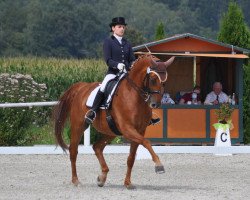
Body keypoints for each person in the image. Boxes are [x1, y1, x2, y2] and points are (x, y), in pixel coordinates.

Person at [85, 17, 160, 125]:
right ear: (113, 28)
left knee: (142, 88)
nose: (122, 29)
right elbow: (108, 60)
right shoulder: (108, 42)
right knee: (103, 87)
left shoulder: (127, 43)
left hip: (126, 73)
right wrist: (117, 65)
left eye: (123, 27)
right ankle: (93, 111)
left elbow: (131, 60)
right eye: (119, 27)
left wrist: (134, 65)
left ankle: (148, 116)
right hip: (113, 73)